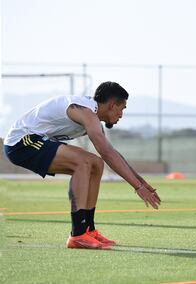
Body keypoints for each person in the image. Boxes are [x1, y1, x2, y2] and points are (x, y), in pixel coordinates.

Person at [3, 81, 161, 249]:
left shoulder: (92, 119)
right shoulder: (85, 111)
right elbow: (107, 153)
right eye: (122, 108)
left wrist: (141, 182)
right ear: (112, 105)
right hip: (21, 142)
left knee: (96, 164)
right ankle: (77, 234)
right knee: (83, 162)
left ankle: (88, 229)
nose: (121, 114)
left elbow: (111, 153)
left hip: (38, 141)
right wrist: (137, 187)